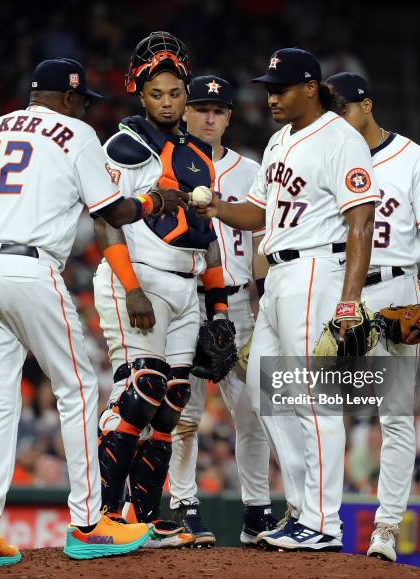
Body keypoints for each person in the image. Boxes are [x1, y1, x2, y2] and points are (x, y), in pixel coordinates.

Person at [0, 57, 187, 569]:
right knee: (77, 388)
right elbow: (114, 212)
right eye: (83, 99)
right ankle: (87, 523)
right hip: (29, 269)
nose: (84, 108)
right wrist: (156, 200)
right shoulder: (76, 132)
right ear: (70, 97)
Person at [198, 48, 379, 551]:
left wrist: (348, 303)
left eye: (280, 88)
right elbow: (257, 214)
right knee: (266, 392)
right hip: (277, 276)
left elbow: (360, 222)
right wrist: (214, 203)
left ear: (311, 88)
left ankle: (324, 522)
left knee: (312, 401)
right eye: (268, 88)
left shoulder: (341, 140)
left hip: (317, 268)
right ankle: (302, 510)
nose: (271, 97)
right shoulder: (279, 140)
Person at [93, 32, 232, 549]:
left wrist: (218, 309)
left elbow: (208, 235)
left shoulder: (197, 152)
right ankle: (103, 516)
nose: (169, 102)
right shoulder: (125, 144)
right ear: (140, 93)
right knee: (141, 389)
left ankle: (143, 516)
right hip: (141, 279)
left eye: (176, 92)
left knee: (172, 402)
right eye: (158, 93)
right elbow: (105, 219)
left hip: (186, 284)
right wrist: (131, 290)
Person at [326, 72, 420, 562]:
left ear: (367, 105)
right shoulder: (329, 156)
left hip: (398, 289)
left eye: (342, 110)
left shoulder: (415, 158)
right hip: (339, 289)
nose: (335, 120)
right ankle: (315, 517)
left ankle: (385, 528)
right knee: (311, 406)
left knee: (396, 416)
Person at [167, 75, 277, 547]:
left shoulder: (251, 171)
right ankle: (183, 505)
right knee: (184, 414)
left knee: (254, 412)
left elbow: (259, 244)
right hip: (186, 299)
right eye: (201, 108)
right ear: (185, 112)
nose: (209, 117)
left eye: (219, 109)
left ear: (229, 117)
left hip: (237, 303)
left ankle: (257, 511)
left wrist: (264, 299)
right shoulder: (168, 165)